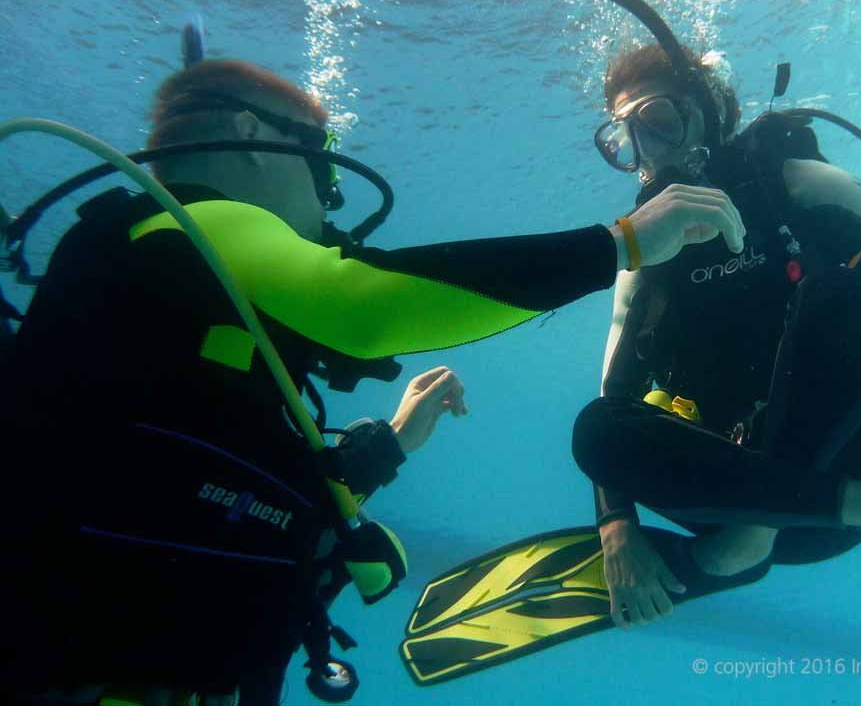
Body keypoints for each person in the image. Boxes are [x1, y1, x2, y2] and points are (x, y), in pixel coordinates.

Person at [0, 58, 746, 705]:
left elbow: (212, 477)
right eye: (320, 159)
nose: (329, 197)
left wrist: (390, 444)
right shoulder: (186, 224)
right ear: (253, 136)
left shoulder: (178, 300)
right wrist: (619, 242)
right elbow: (366, 305)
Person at [569, 39, 861, 630]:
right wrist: (617, 526)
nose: (649, 151)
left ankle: (730, 553)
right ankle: (776, 525)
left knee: (839, 291)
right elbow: (615, 398)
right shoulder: (646, 254)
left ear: (704, 110)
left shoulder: (789, 179)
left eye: (659, 120)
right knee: (594, 429)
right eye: (625, 140)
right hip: (753, 501)